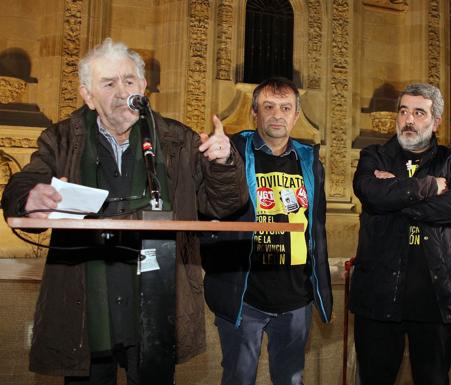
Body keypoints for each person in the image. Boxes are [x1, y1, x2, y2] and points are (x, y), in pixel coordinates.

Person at [1, 38, 248, 384]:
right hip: (85, 302)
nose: (122, 91)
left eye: (129, 81)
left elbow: (225, 203)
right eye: (109, 83)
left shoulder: (178, 140)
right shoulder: (61, 139)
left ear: (144, 87)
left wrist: (223, 163)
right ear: (87, 95)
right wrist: (29, 196)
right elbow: (25, 183)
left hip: (159, 300)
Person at [201, 77, 333, 385]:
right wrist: (219, 163)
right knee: (238, 378)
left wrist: (319, 288)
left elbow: (318, 228)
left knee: (291, 380)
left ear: (296, 116)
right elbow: (212, 205)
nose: (277, 114)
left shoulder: (310, 160)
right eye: (268, 107)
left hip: (296, 298)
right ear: (254, 113)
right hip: (245, 296)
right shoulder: (233, 150)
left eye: (286, 107)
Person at [349, 83, 451, 385]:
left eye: (419, 113)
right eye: (404, 111)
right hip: (379, 296)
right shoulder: (374, 156)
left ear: (436, 122)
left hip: (437, 296)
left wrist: (393, 197)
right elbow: (368, 191)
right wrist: (429, 188)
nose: (409, 119)